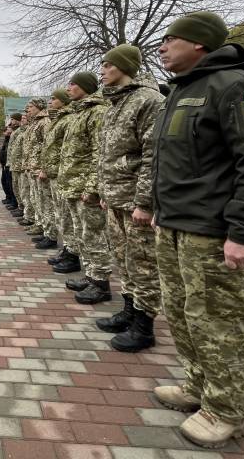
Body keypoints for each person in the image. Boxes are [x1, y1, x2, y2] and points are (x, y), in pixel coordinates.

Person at [152, 12, 244, 448]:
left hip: (212, 233)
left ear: (198, 44)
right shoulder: (182, 92)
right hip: (176, 226)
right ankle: (197, 385)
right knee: (180, 314)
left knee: (217, 321)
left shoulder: (241, 88)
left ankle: (226, 408)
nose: (161, 47)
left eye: (169, 39)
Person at [97, 44, 163, 352]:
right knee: (124, 259)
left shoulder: (148, 101)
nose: (102, 70)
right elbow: (106, 156)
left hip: (135, 201)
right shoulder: (115, 104)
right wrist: (104, 192)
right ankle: (128, 310)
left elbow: (152, 155)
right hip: (115, 197)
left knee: (143, 263)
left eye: (107, 65)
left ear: (123, 67)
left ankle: (144, 326)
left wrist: (144, 203)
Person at [57, 72, 111, 302]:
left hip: (85, 188)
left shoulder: (97, 112)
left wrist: (92, 187)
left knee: (93, 235)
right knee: (82, 233)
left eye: (73, 84)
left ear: (85, 87)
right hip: (73, 185)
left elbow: (99, 153)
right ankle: (90, 276)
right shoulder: (81, 113)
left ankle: (101, 283)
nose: (69, 88)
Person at [40, 89, 74, 257]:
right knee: (60, 213)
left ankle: (70, 253)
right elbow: (48, 148)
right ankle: (65, 249)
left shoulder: (67, 119)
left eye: (54, 99)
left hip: (63, 175)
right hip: (53, 173)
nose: (50, 101)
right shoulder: (56, 120)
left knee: (66, 216)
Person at [22, 98, 49, 239]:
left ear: (39, 106)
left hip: (39, 169)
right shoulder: (34, 124)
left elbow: (47, 147)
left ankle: (48, 232)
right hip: (32, 167)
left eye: (31, 106)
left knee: (44, 202)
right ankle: (40, 225)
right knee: (36, 199)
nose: (28, 109)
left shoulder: (44, 122)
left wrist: (43, 167)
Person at [5, 113, 24, 215]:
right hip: (12, 163)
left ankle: (20, 207)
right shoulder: (15, 132)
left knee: (21, 188)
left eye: (12, 119)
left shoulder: (20, 131)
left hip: (20, 165)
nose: (11, 121)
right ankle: (17, 205)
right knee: (14, 185)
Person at [0, 120, 17, 208]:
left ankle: (13, 201)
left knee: (10, 183)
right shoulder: (7, 140)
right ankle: (9, 198)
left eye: (9, 131)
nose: (7, 133)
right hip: (4, 165)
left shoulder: (12, 138)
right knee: (5, 182)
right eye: (6, 131)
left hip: (10, 165)